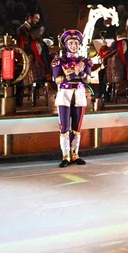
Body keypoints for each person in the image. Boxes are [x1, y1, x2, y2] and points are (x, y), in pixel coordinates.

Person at [52, 30, 92, 168]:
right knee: (64, 126)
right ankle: (65, 155)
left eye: (76, 43)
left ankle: (75, 154)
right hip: (65, 94)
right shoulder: (59, 61)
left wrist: (81, 72)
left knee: (77, 126)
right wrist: (73, 74)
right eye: (70, 43)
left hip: (79, 94)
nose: (74, 45)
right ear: (66, 45)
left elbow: (88, 79)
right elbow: (57, 79)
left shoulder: (85, 61)